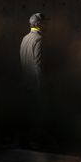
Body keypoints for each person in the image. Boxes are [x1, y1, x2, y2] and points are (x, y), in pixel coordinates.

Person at [20, 11, 47, 148]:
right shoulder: (39, 40)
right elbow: (38, 65)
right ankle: (36, 143)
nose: (46, 24)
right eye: (43, 22)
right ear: (37, 24)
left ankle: (26, 141)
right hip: (35, 85)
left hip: (26, 83)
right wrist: (41, 88)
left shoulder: (24, 39)